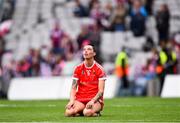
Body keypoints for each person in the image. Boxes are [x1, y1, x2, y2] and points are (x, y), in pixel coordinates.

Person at [65, 45, 106, 117]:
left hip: (95, 100)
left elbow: (101, 91)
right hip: (80, 99)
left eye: (89, 49)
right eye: (84, 50)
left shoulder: (99, 69)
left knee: (87, 113)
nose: (86, 51)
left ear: (94, 53)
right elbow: (73, 88)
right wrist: (71, 100)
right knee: (69, 112)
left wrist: (93, 101)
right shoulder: (78, 68)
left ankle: (94, 112)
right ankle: (82, 111)